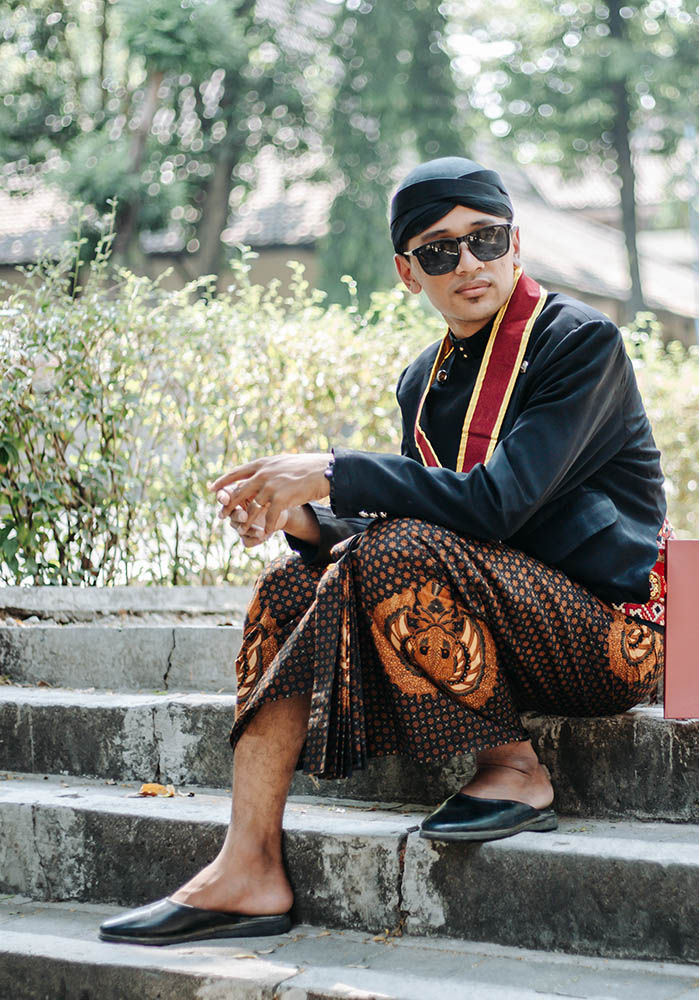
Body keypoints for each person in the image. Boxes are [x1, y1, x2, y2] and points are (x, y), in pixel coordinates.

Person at [99, 156, 669, 947]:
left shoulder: (579, 344)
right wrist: (301, 520)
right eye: (439, 251)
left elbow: (493, 507)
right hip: (499, 622)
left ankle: (514, 769)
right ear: (408, 273)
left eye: (485, 239)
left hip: (611, 633)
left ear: (515, 242)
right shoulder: (422, 380)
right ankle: (249, 862)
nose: (467, 263)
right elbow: (422, 523)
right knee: (283, 592)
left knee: (398, 551)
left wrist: (333, 469)